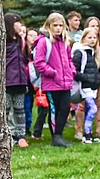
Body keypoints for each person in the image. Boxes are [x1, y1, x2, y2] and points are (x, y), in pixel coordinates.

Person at [32, 13, 75, 147]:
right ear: (49, 26)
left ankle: (59, 134)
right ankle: (56, 137)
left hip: (65, 82)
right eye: (55, 25)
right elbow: (38, 62)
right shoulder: (44, 42)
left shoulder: (65, 42)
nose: (58, 28)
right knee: (54, 110)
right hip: (52, 83)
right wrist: (53, 73)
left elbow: (69, 59)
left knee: (65, 108)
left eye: (60, 25)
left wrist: (71, 71)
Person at [72, 26, 100, 143]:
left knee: (91, 108)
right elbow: (74, 71)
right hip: (85, 87)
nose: (92, 40)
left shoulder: (93, 54)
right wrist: (87, 79)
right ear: (83, 38)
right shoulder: (80, 53)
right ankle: (86, 133)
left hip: (93, 87)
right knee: (93, 109)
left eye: (95, 37)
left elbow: (96, 70)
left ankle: (88, 134)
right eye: (89, 37)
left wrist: (97, 80)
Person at [4, 13, 31, 147]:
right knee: (6, 110)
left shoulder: (21, 41)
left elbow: (26, 58)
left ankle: (20, 135)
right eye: (17, 22)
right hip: (8, 82)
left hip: (21, 81)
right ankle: (7, 135)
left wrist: (24, 41)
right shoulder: (4, 42)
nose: (20, 25)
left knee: (20, 110)